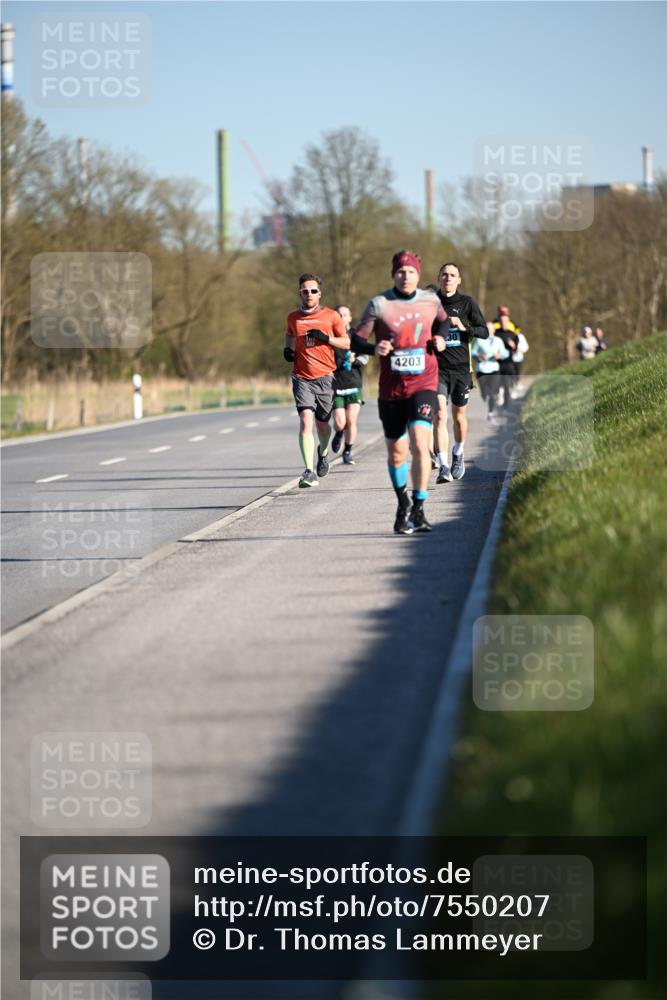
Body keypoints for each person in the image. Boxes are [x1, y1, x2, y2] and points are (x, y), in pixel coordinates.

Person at [351, 250, 448, 533]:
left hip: (424, 383)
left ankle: (419, 507)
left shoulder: (430, 300)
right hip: (392, 389)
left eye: (411, 272)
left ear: (418, 275)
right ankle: (402, 501)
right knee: (397, 453)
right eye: (401, 272)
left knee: (420, 442)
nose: (406, 276)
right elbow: (356, 340)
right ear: (393, 274)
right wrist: (374, 348)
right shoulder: (379, 304)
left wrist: (441, 338)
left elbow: (444, 321)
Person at [284, 273, 350, 487]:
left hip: (325, 378)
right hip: (301, 378)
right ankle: (309, 471)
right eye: (305, 291)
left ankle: (323, 453)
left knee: (323, 426)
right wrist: (288, 349)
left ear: (319, 293)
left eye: (313, 291)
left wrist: (326, 338)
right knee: (306, 421)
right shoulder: (293, 317)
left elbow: (346, 343)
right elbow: (289, 334)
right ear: (300, 293)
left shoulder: (331, 316)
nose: (309, 294)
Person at [433, 262, 488, 483]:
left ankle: (458, 452)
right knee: (439, 415)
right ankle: (443, 466)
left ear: (458, 280)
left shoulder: (467, 303)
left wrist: (464, 327)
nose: (448, 278)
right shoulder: (430, 303)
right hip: (437, 369)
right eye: (444, 274)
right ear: (439, 277)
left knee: (458, 416)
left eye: (452, 275)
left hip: (461, 369)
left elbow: (484, 331)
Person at [331, 305, 368, 465]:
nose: (342, 317)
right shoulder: (330, 337)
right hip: (336, 384)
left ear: (350, 318)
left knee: (351, 420)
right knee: (340, 423)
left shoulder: (357, 336)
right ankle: (339, 433)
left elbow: (366, 357)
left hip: (354, 383)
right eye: (339, 314)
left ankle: (347, 452)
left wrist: (355, 360)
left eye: (345, 315)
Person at [472, 322, 509, 424]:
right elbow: (473, 352)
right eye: (486, 328)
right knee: (484, 393)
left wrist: (500, 355)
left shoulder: (498, 340)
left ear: (493, 330)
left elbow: (505, 353)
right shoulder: (479, 340)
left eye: (490, 329)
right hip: (481, 370)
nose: (488, 330)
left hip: (494, 368)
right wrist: (480, 355)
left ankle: (490, 413)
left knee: (491, 392)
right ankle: (491, 397)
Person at [495, 312, 519, 408]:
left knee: (507, 384)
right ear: (499, 322)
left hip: (508, 363)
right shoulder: (495, 333)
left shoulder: (512, 334)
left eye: (505, 321)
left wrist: (513, 346)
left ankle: (506, 404)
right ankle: (498, 399)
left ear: (508, 322)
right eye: (501, 320)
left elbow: (516, 349)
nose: (503, 322)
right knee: (497, 383)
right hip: (496, 363)